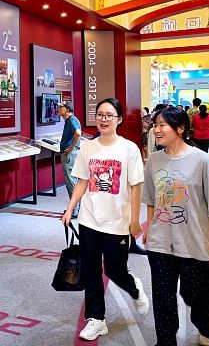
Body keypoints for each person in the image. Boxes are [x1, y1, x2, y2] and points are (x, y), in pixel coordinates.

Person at [142, 106, 209, 346]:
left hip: (195, 241)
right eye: (155, 125)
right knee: (163, 298)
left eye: (162, 125)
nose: (156, 130)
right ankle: (166, 341)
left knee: (196, 294)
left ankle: (206, 328)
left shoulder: (201, 160)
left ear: (180, 129)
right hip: (161, 242)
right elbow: (150, 199)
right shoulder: (154, 161)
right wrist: (149, 228)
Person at [62, 98, 149, 341]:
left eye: (109, 115)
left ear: (119, 119)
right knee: (90, 269)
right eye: (100, 114)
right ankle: (96, 319)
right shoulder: (88, 147)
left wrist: (134, 220)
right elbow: (82, 181)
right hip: (89, 220)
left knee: (115, 269)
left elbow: (136, 187)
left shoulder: (129, 149)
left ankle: (134, 288)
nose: (104, 119)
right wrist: (70, 209)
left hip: (117, 222)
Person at [57, 102, 81, 217]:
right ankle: (77, 208)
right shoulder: (70, 120)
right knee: (73, 181)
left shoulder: (71, 120)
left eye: (60, 107)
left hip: (69, 155)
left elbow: (78, 133)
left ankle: (74, 210)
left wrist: (71, 148)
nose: (58, 109)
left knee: (71, 182)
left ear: (66, 110)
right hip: (71, 154)